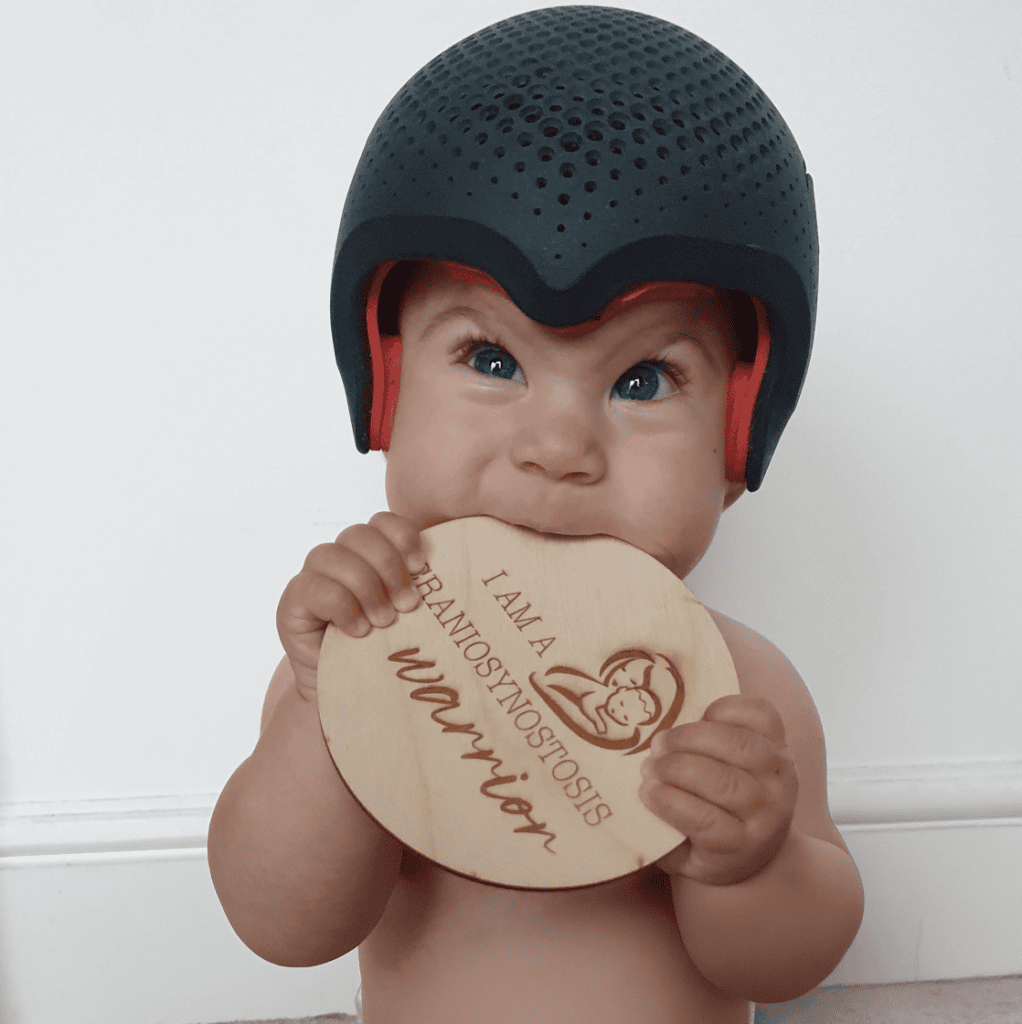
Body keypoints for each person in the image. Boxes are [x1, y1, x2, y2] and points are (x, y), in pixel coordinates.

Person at [208, 8, 864, 1023]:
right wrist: (326, 719)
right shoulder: (356, 656)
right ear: (386, 389)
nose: (558, 447)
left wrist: (750, 860)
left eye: (643, 380)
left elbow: (784, 965)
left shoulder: (739, 691)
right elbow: (284, 927)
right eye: (491, 358)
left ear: (737, 436)